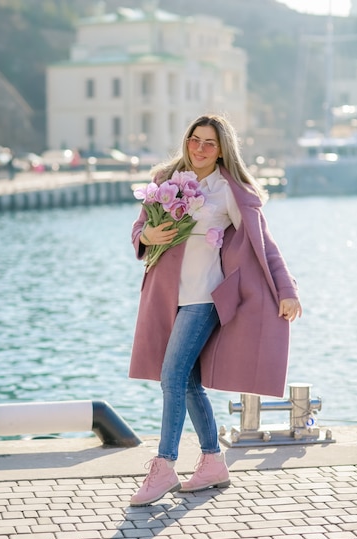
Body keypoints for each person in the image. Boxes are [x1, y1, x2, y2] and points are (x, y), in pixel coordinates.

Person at [129, 113, 302, 507]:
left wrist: (286, 290)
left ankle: (165, 465)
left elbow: (265, 245)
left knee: (171, 376)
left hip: (204, 299)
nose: (200, 149)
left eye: (210, 143)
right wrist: (146, 235)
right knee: (186, 382)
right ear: (186, 140)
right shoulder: (165, 181)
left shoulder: (230, 191)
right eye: (195, 139)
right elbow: (139, 231)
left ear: (223, 149)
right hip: (164, 299)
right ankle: (212, 462)